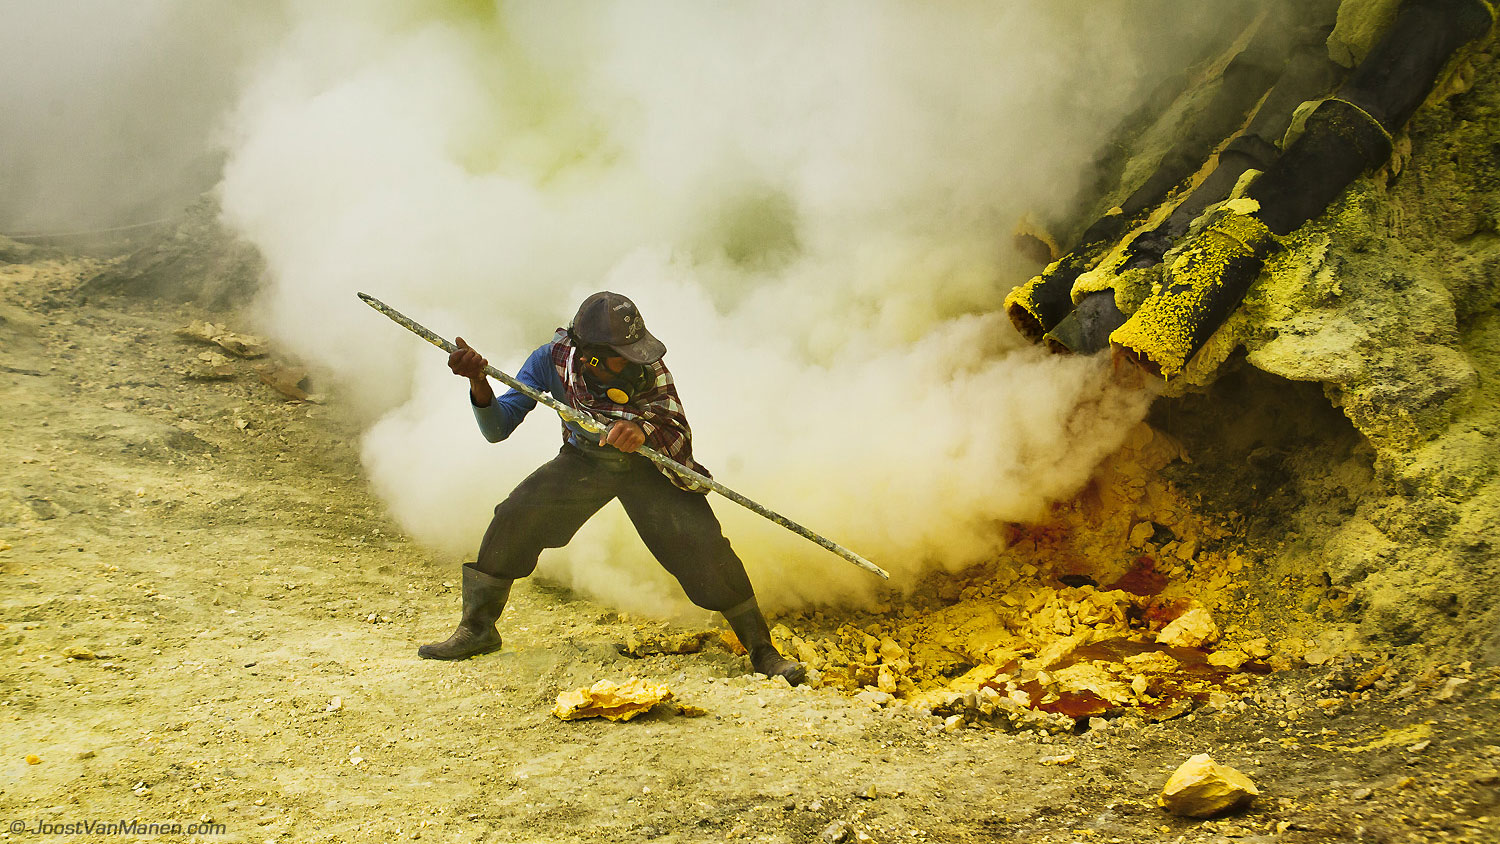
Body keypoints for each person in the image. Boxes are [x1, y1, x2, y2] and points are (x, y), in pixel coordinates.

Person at [417, 291, 806, 685]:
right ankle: (478, 630)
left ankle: (762, 651)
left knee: (705, 548)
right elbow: (497, 429)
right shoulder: (550, 362)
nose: (639, 357)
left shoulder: (648, 367)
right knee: (514, 517)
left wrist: (641, 429)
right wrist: (478, 382)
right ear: (592, 358)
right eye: (625, 352)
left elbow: (673, 426)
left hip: (648, 465)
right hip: (584, 460)